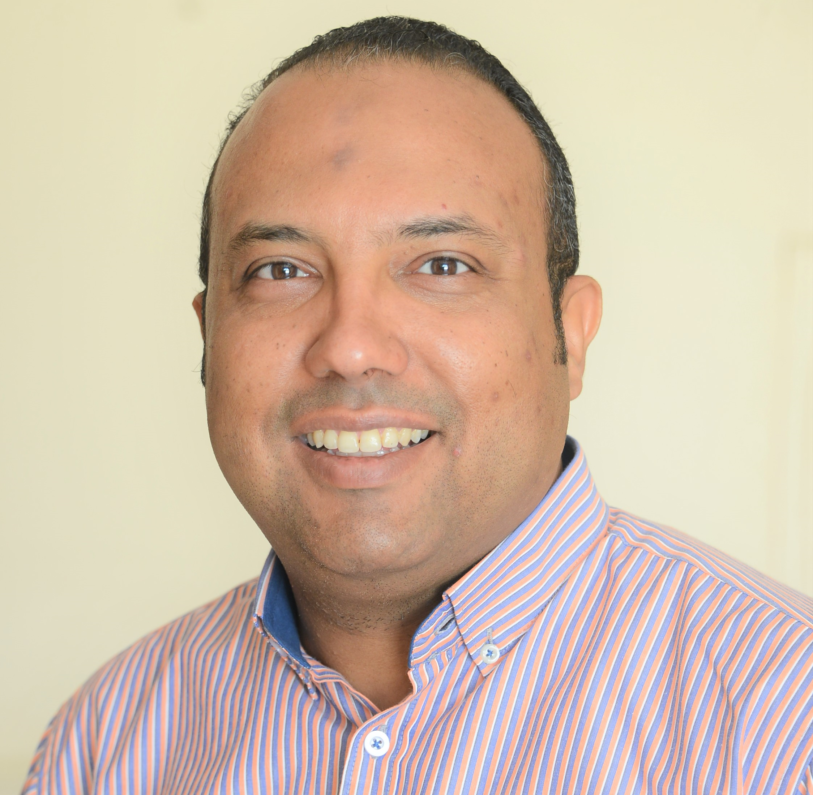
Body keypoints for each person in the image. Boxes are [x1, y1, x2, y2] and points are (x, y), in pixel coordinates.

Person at [23, 16, 813, 795]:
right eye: (280, 270)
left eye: (441, 264)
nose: (350, 346)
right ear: (208, 336)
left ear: (569, 335)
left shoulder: (785, 723)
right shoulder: (102, 743)